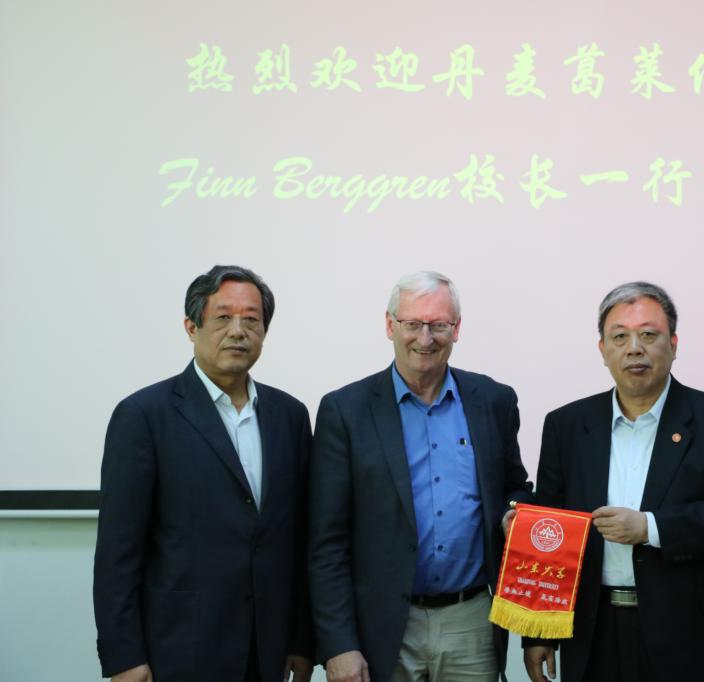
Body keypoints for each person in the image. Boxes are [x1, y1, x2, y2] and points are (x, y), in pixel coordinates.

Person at [523, 281, 704, 682]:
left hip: (686, 632)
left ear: (674, 344)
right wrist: (538, 631)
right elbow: (549, 529)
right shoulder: (567, 426)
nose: (634, 348)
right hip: (592, 630)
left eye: (649, 335)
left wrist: (650, 527)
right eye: (620, 337)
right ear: (603, 349)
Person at [309, 271, 533, 682]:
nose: (425, 338)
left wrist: (512, 513)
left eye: (438, 325)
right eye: (412, 323)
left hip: (470, 620)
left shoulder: (493, 401)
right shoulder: (346, 411)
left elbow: (513, 487)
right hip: (382, 626)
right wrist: (338, 644)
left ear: (457, 329)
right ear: (389, 325)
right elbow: (326, 540)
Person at [93, 265, 314, 682]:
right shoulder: (144, 416)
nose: (238, 331)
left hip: (267, 651)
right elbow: (117, 553)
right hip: (179, 649)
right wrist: (124, 656)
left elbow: (298, 539)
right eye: (223, 318)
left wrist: (302, 640)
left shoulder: (290, 416)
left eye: (251, 320)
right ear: (191, 327)